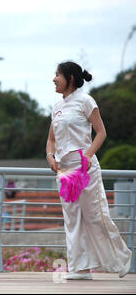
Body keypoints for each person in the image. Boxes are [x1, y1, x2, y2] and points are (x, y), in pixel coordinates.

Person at [46, 61, 132, 280]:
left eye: (57, 75)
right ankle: (79, 269)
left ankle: (121, 259)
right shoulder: (56, 107)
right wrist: (49, 156)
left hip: (84, 168)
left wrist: (87, 155)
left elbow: (101, 132)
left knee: (96, 216)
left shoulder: (85, 100)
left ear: (71, 79)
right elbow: (51, 139)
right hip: (65, 172)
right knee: (72, 220)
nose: (54, 78)